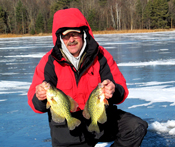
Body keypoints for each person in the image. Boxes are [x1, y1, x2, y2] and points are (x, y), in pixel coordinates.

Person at [28, 7, 148, 147]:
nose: (71, 39)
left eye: (75, 34)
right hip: (67, 128)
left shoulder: (101, 55)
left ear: (84, 34)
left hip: (99, 115)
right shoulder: (49, 62)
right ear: (60, 38)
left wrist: (113, 90)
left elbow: (121, 89)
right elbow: (35, 104)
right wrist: (40, 96)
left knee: (135, 127)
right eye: (66, 35)